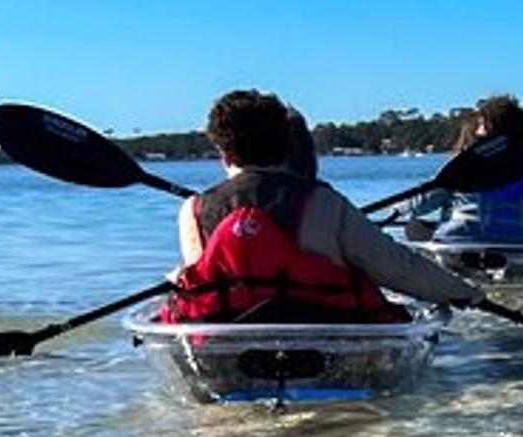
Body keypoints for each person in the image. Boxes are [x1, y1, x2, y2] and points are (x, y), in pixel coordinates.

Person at [163, 90, 480, 324]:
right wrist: (461, 291)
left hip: (227, 348)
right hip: (322, 338)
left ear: (224, 154)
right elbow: (396, 268)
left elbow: (201, 286)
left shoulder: (193, 210)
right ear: (286, 145)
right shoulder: (323, 202)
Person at [408, 96, 523, 245]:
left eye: (482, 124)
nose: (478, 131)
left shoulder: (463, 165)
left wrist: (400, 208)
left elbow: (422, 204)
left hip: (464, 238)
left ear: (490, 128)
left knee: (414, 227)